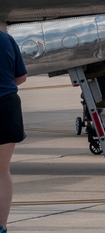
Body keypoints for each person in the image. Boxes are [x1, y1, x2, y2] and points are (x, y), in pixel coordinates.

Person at [1, 30, 27, 233]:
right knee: (2, 171)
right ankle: (1, 226)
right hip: (7, 104)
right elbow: (21, 77)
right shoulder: (6, 38)